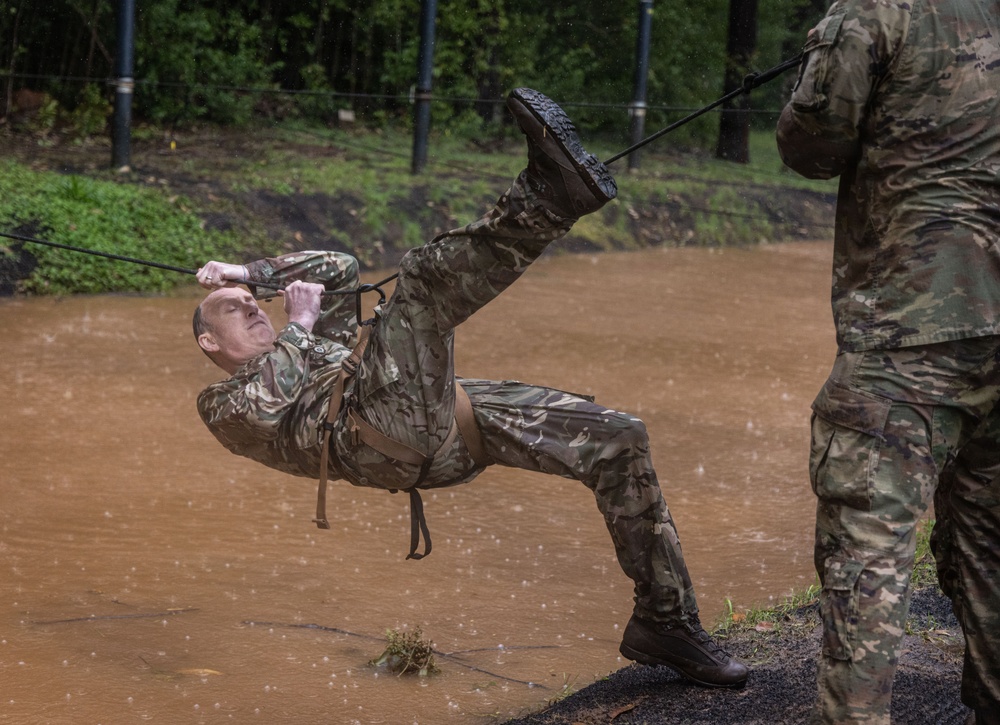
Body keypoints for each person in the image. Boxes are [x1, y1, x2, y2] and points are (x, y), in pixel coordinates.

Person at [192, 88, 749, 689]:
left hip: (446, 419)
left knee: (619, 438)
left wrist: (249, 272)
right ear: (208, 344)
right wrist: (297, 326)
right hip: (379, 438)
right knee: (424, 282)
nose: (251, 307)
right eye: (232, 307)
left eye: (253, 303)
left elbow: (340, 269)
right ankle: (548, 198)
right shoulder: (223, 403)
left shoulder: (304, 343)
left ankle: (666, 622)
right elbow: (266, 404)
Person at [776, 2, 1000, 723]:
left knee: (866, 564)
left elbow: (811, 148)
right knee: (993, 552)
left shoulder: (876, 12)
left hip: (905, 336)